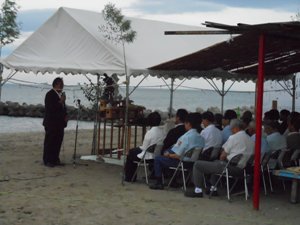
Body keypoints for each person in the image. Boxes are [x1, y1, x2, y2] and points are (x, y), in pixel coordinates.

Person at [185, 119, 254, 198]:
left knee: (197, 164)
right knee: (216, 163)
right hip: (244, 170)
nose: (231, 131)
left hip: (230, 168)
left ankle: (197, 190)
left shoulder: (234, 137)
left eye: (231, 129)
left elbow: (223, 156)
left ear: (235, 128)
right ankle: (212, 189)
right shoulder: (250, 139)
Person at [149, 113, 205, 190]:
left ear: (188, 123)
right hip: (193, 163)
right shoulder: (201, 137)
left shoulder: (186, 137)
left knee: (158, 159)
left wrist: (168, 155)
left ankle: (159, 182)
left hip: (182, 162)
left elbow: (178, 155)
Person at [124, 112, 165, 182]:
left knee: (130, 153)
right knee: (133, 151)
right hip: (157, 155)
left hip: (148, 155)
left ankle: (130, 177)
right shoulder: (162, 132)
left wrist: (137, 148)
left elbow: (144, 147)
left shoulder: (150, 132)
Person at [43, 77, 68, 167]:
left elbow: (63, 107)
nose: (62, 85)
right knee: (50, 141)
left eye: (62, 84)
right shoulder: (50, 94)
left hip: (59, 123)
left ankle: (55, 159)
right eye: (61, 84)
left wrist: (66, 115)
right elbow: (50, 108)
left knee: (58, 141)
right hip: (51, 122)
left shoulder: (60, 94)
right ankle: (47, 160)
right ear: (56, 84)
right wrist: (60, 102)